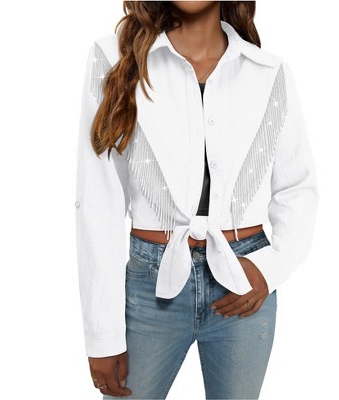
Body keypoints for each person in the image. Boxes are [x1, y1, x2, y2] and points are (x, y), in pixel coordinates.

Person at [74, 1, 319, 399]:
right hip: (150, 285)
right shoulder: (113, 59)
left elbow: (297, 187)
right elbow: (98, 203)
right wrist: (102, 334)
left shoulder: (268, 72)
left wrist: (269, 268)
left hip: (243, 282)